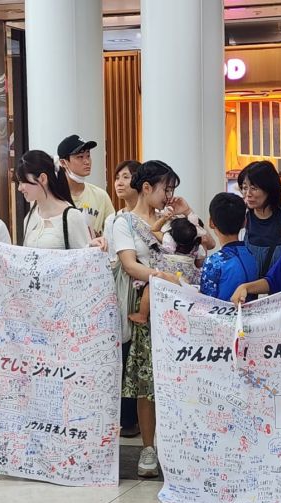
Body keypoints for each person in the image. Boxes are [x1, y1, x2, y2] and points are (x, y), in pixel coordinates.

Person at [113, 160, 201, 477]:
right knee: (146, 381)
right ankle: (148, 449)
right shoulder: (124, 222)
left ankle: (179, 446)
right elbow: (129, 265)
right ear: (147, 187)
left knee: (178, 378)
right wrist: (162, 276)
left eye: (173, 189)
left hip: (178, 307)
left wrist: (188, 212)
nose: (169, 195)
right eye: (166, 188)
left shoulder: (172, 220)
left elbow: (205, 245)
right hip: (149, 307)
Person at [103, 160, 141, 438]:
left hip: (145, 288)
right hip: (122, 290)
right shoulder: (112, 220)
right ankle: (126, 416)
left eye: (126, 177)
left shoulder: (152, 217)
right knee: (125, 349)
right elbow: (111, 260)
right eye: (117, 177)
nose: (119, 182)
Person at [128, 216, 202, 324]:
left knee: (149, 288)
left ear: (171, 238)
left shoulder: (167, 243)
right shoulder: (197, 247)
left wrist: (164, 218)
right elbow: (199, 263)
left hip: (166, 279)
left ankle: (142, 315)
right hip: (186, 282)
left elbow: (153, 230)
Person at [16, 150, 91, 250]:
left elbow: (85, 256)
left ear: (43, 179)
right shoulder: (30, 217)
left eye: (23, 182)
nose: (19, 188)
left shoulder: (71, 216)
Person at [200, 192, 258, 302]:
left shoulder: (214, 262)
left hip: (223, 313)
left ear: (211, 222)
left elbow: (205, 302)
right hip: (250, 312)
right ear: (244, 222)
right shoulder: (251, 256)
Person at [57, 134, 115, 238]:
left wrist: (101, 238)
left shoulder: (100, 195)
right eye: (80, 157)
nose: (87, 161)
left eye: (88, 156)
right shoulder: (54, 196)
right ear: (63, 162)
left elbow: (113, 233)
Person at [241, 161, 281, 279]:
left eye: (254, 188)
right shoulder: (241, 221)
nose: (248, 194)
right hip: (246, 290)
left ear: (269, 189)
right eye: (245, 188)